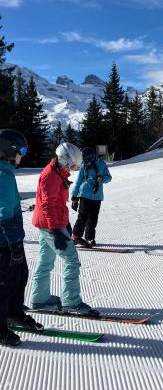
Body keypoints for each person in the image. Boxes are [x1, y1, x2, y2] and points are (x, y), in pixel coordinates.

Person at [31, 143, 98, 316]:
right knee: (71, 260)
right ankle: (71, 301)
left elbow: (57, 203)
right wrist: (55, 230)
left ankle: (40, 298)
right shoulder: (51, 176)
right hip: (50, 225)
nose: (74, 168)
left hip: (48, 223)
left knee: (46, 261)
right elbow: (48, 205)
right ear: (66, 160)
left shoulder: (57, 172)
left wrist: (65, 222)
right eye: (73, 165)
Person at [0, 129, 43, 347]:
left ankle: (13, 313)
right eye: (22, 151)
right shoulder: (3, 176)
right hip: (5, 242)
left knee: (19, 276)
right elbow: (3, 215)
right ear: (9, 151)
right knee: (4, 284)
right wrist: (13, 244)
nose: (23, 155)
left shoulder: (6, 172)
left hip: (12, 239)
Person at [71, 147, 112, 248]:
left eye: (87, 159)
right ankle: (76, 236)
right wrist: (74, 196)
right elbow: (78, 181)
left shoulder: (101, 164)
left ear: (92, 157)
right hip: (84, 194)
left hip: (97, 196)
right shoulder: (83, 166)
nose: (86, 161)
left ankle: (89, 238)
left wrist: (102, 179)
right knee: (83, 216)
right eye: (84, 159)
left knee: (93, 218)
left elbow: (108, 177)